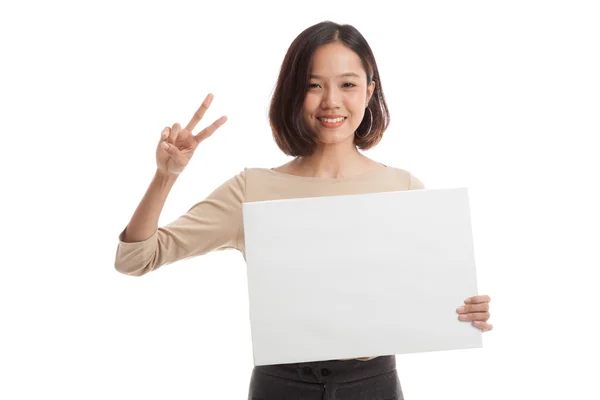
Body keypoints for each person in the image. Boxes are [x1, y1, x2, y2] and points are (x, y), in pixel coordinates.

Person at [114, 20, 493, 400]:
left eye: (347, 84)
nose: (331, 100)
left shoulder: (402, 189)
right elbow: (135, 259)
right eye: (314, 85)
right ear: (294, 93)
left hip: (372, 387)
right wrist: (165, 176)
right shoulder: (253, 189)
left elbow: (426, 298)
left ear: (369, 92)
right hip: (280, 387)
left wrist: (465, 311)